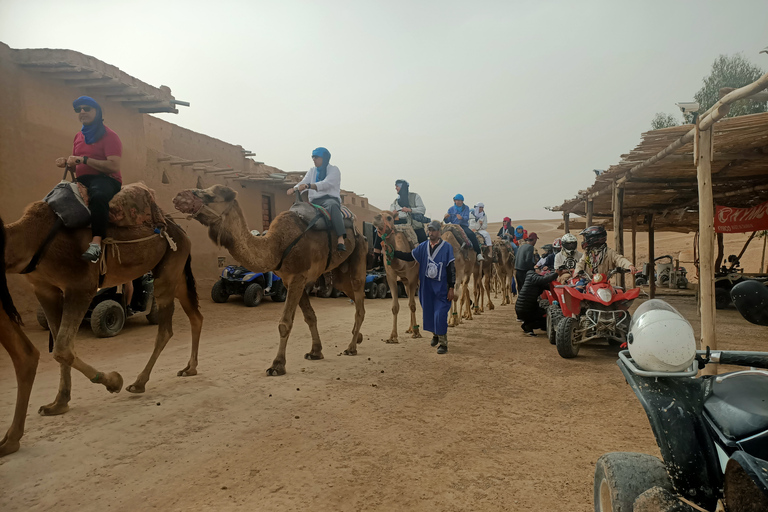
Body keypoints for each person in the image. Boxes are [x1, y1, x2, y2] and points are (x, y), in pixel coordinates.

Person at [55, 96, 123, 263]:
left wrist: (84, 160)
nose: (82, 112)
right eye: (79, 110)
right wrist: (67, 162)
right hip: (83, 178)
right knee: (57, 198)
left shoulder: (110, 135)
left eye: (87, 108)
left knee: (98, 196)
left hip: (106, 179)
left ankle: (96, 244)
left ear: (97, 112)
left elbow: (114, 165)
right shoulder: (78, 136)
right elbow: (77, 163)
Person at [392, 220, 455, 354]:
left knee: (440, 314)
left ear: (439, 232)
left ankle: (443, 343)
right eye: (429, 230)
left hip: (441, 287)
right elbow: (409, 256)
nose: (430, 232)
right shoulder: (423, 246)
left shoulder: (447, 247)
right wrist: (395, 253)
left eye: (433, 230)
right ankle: (435, 334)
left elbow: (451, 268)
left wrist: (451, 287)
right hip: (426, 286)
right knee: (429, 312)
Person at [287, 147, 346, 251]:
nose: (314, 159)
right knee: (295, 209)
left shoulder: (334, 170)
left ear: (325, 158)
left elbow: (326, 183)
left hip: (329, 200)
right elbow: (303, 182)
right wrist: (294, 189)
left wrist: (308, 186)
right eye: (313, 157)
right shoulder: (312, 171)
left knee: (332, 205)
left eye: (317, 157)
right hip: (314, 201)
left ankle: (340, 238)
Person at [515, 267, 564, 336]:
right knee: (545, 319)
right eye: (539, 269)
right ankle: (529, 326)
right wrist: (556, 273)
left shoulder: (531, 278)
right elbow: (545, 279)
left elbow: (548, 286)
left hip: (522, 308)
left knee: (542, 313)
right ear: (535, 270)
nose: (541, 271)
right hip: (526, 309)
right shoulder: (533, 278)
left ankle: (527, 325)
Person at [443, 194, 484, 261]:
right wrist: (446, 218)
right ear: (454, 201)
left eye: (461, 201)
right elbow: (448, 221)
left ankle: (478, 253)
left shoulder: (466, 208)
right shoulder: (451, 209)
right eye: (458, 200)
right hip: (453, 226)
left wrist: (462, 218)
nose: (459, 202)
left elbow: (466, 218)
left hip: (463, 226)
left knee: (471, 235)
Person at [514, 232, 539, 319]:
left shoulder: (521, 247)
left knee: (520, 294)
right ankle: (525, 316)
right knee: (526, 295)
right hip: (524, 272)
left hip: (517, 271)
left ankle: (519, 316)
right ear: (535, 240)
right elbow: (528, 260)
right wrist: (533, 269)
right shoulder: (530, 247)